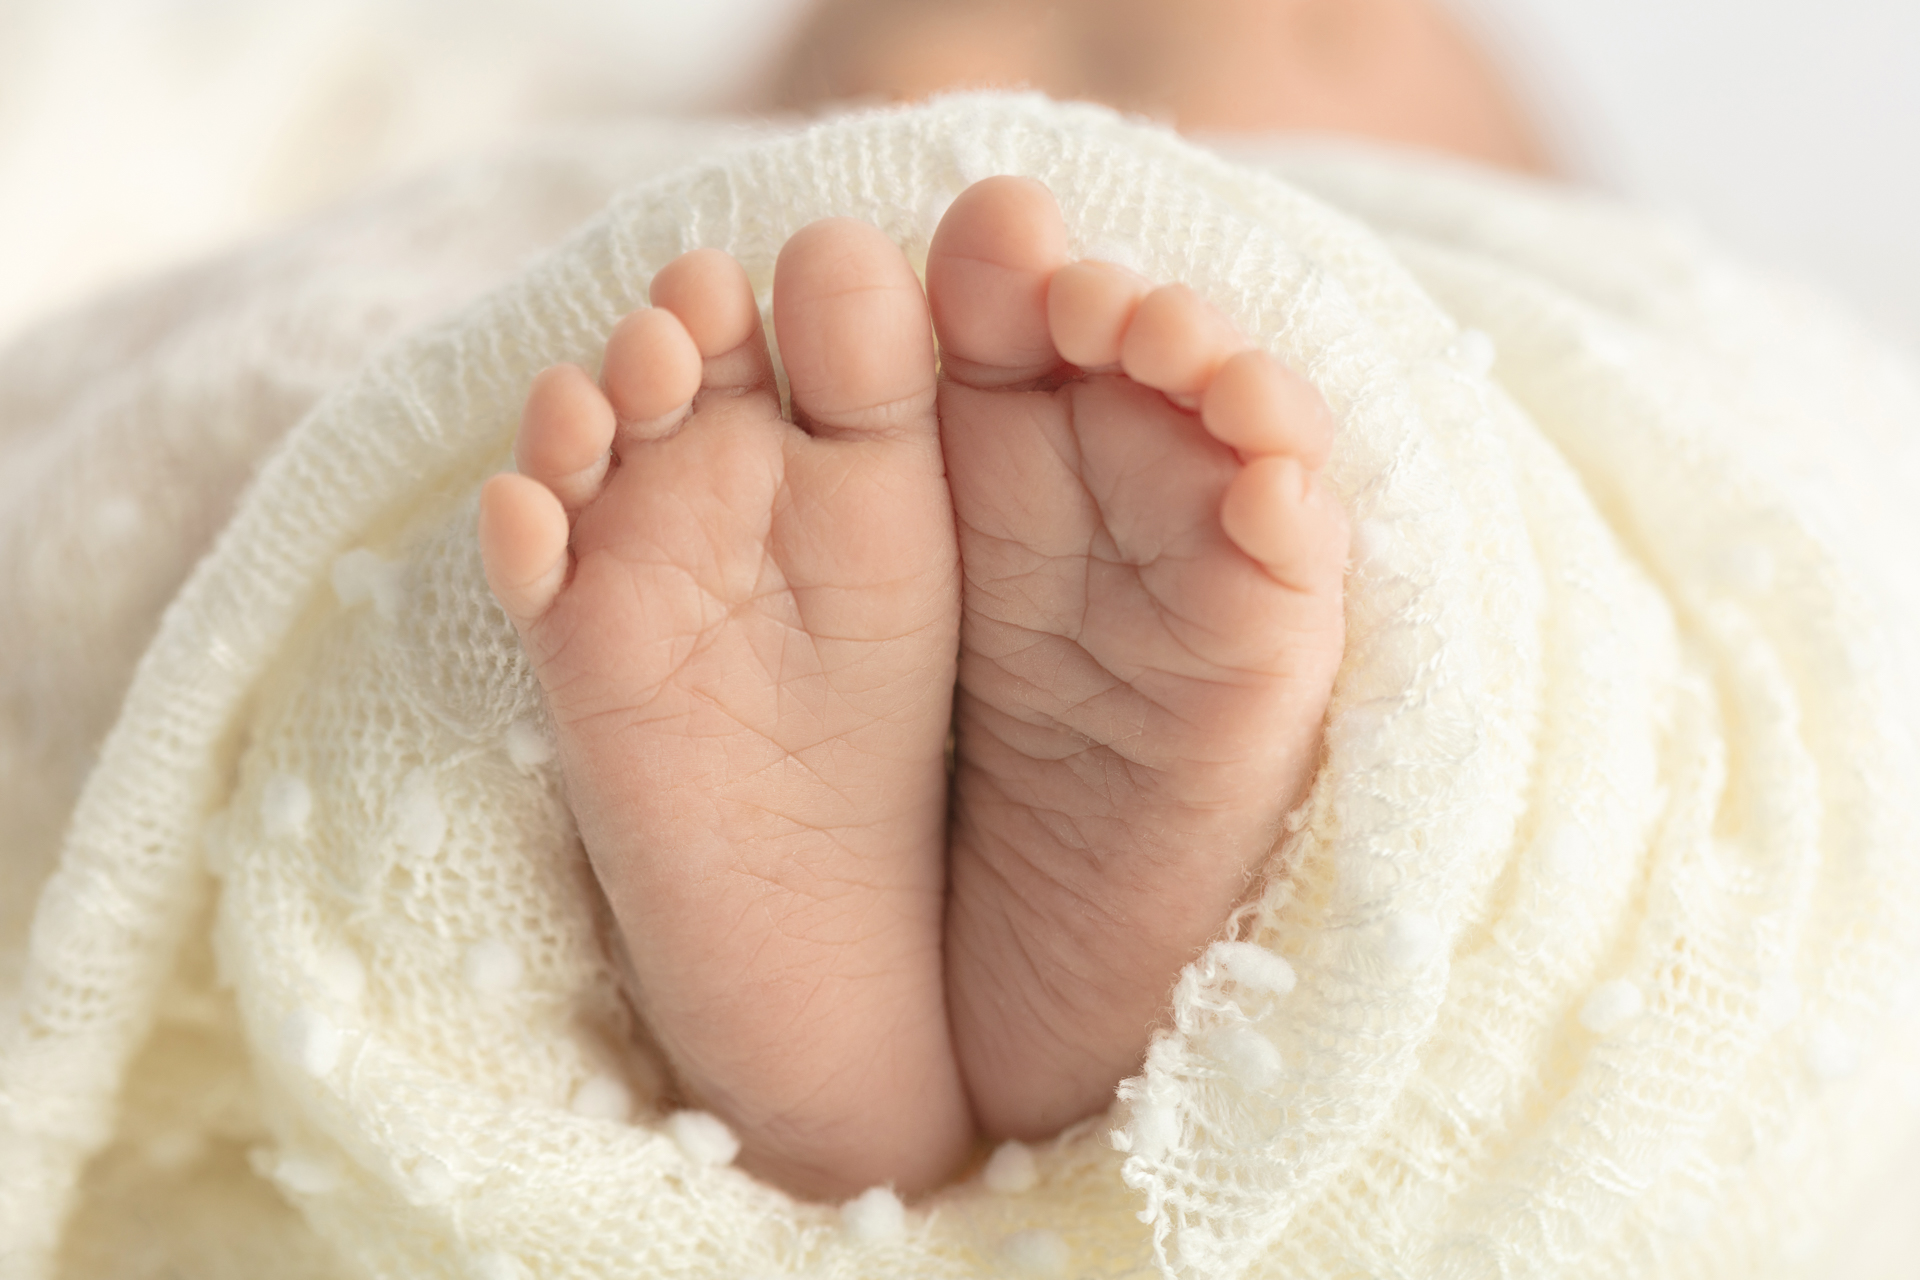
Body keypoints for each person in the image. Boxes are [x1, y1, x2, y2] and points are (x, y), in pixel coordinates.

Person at [478, 0, 1538, 1201]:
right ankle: (966, 1022)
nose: (916, 72)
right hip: (913, 554)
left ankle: (827, 1066)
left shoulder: (1535, 290)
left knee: (1469, 556)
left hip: (881, 545)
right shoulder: (527, 127)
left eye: (1109, 60)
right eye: (831, 56)